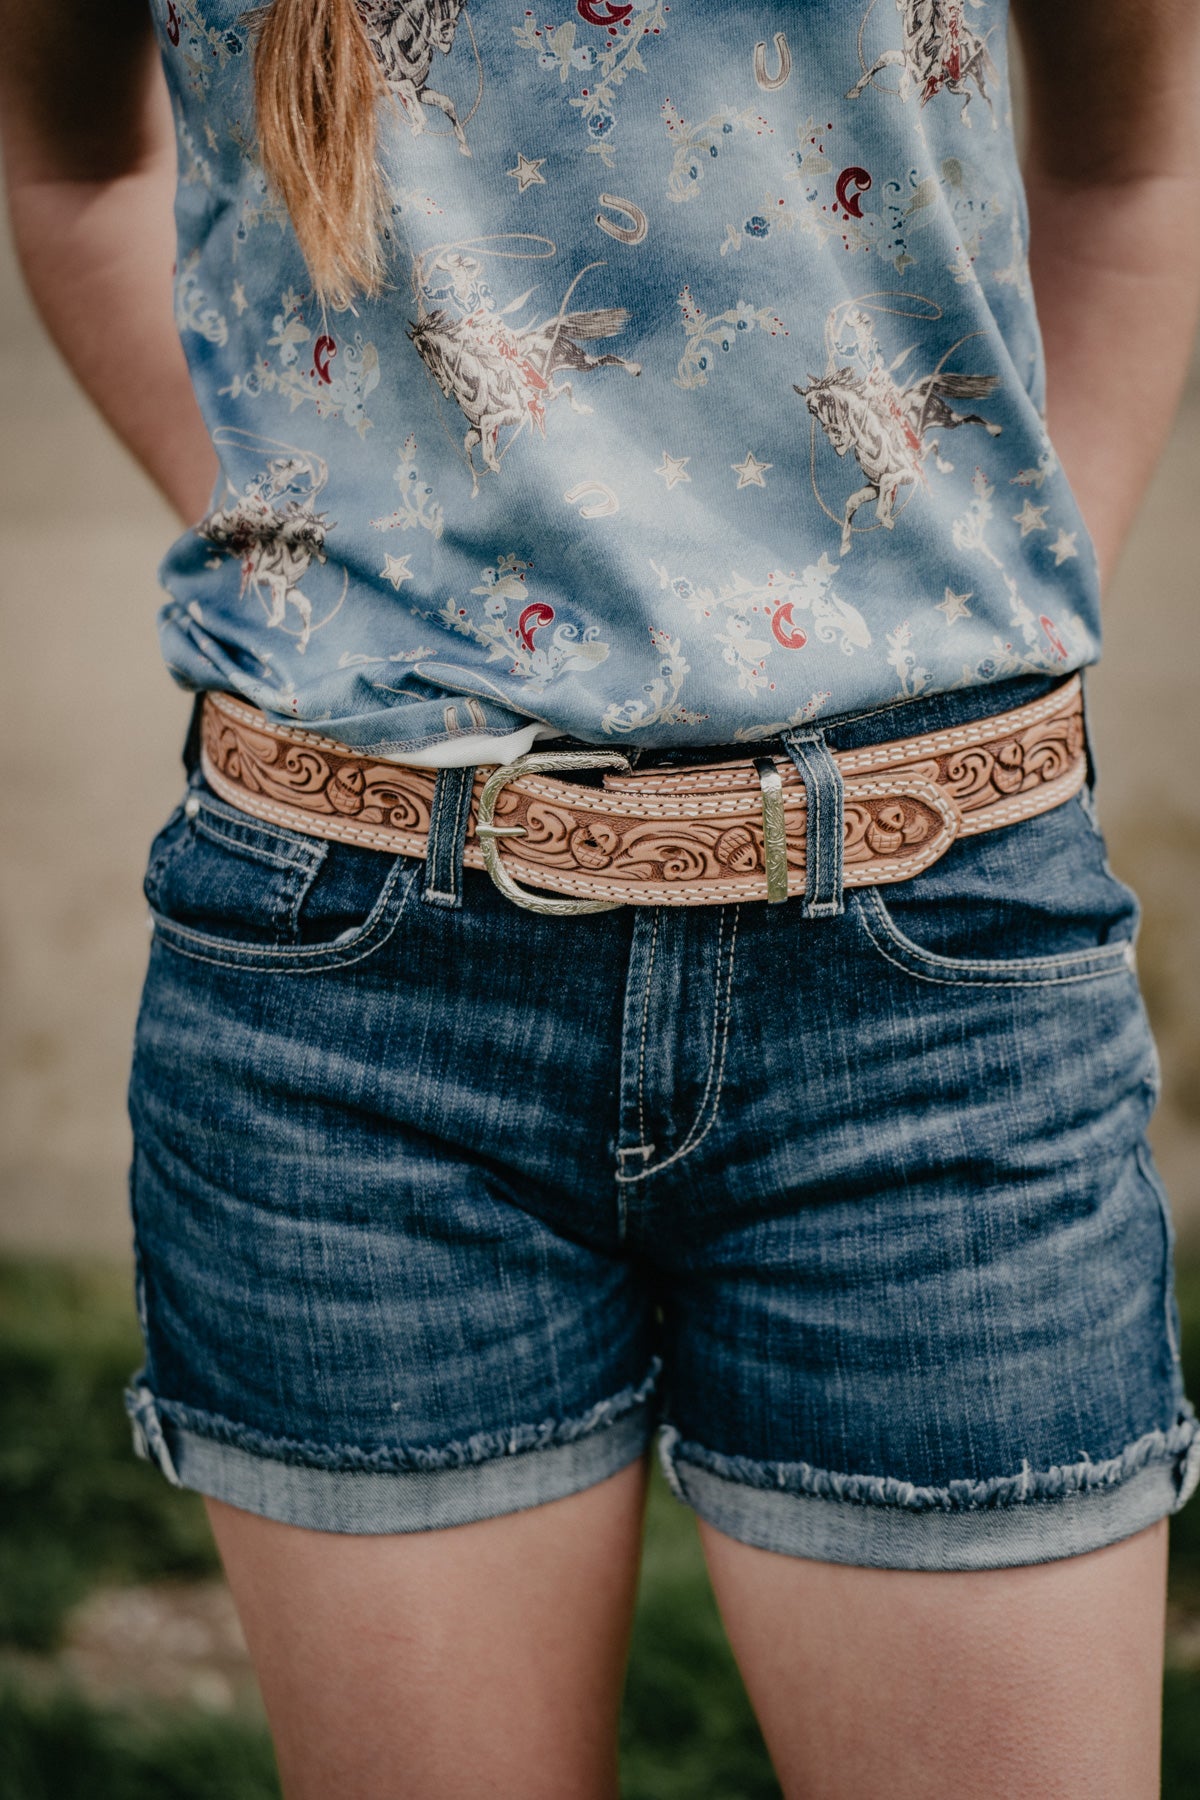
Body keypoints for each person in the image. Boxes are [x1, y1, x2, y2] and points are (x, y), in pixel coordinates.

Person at [3, 1, 1198, 1793]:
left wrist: (1000, 637)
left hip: (933, 996)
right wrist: (320, 560)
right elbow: (71, 158)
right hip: (356, 1021)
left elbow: (1135, 157)